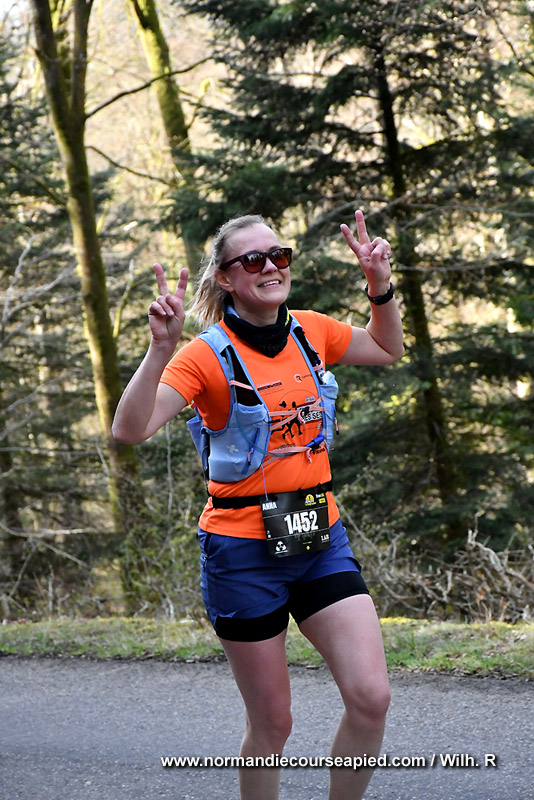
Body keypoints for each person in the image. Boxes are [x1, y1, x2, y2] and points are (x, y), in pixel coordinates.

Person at [112, 209, 404, 800]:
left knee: (372, 698)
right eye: (252, 260)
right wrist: (160, 349)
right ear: (225, 278)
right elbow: (130, 429)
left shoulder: (311, 331)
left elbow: (384, 347)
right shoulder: (204, 356)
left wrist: (379, 284)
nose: (271, 267)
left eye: (279, 255)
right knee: (273, 724)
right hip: (242, 554)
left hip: (317, 539)